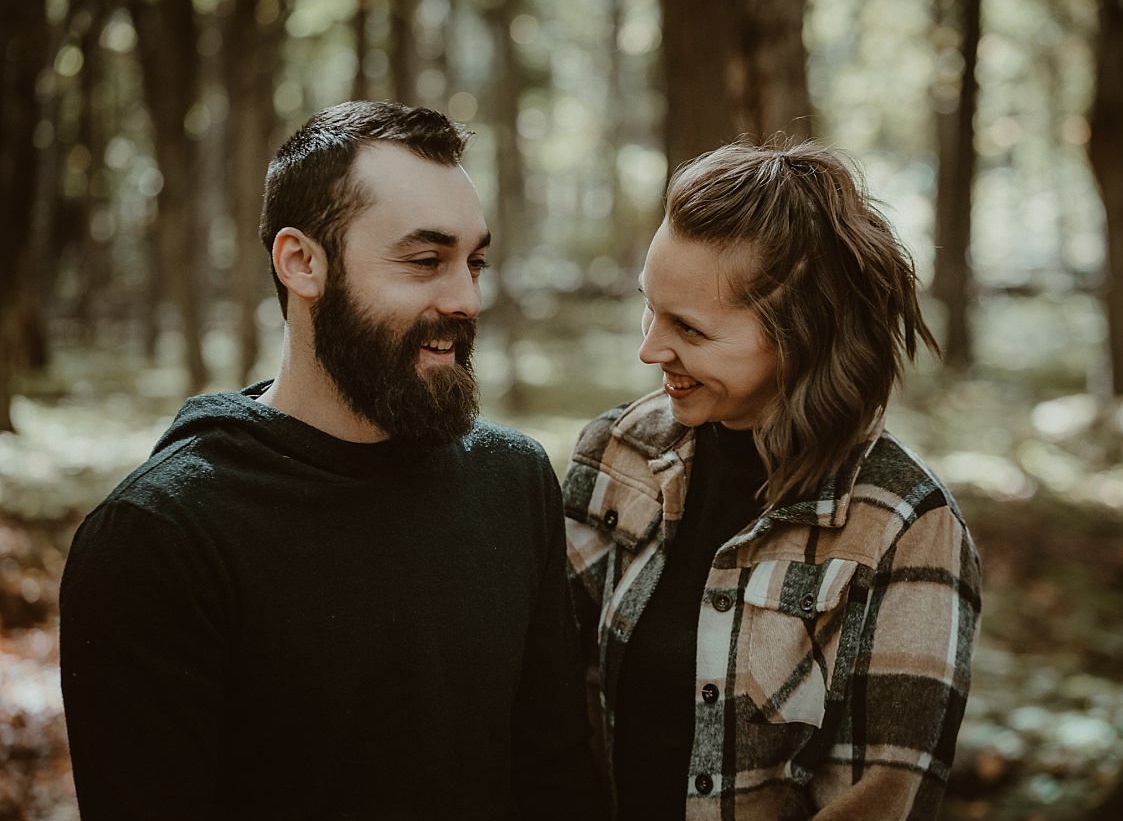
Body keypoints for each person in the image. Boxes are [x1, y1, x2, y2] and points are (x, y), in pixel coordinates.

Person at [59, 101, 602, 819]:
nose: (467, 297)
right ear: (302, 262)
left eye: (475, 262)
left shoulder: (512, 479)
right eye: (425, 260)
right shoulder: (159, 536)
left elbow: (556, 778)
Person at [563, 140, 981, 820]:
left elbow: (880, 801)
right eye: (650, 306)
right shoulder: (617, 453)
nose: (648, 349)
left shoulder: (906, 528)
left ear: (801, 337)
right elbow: (553, 706)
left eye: (689, 329)